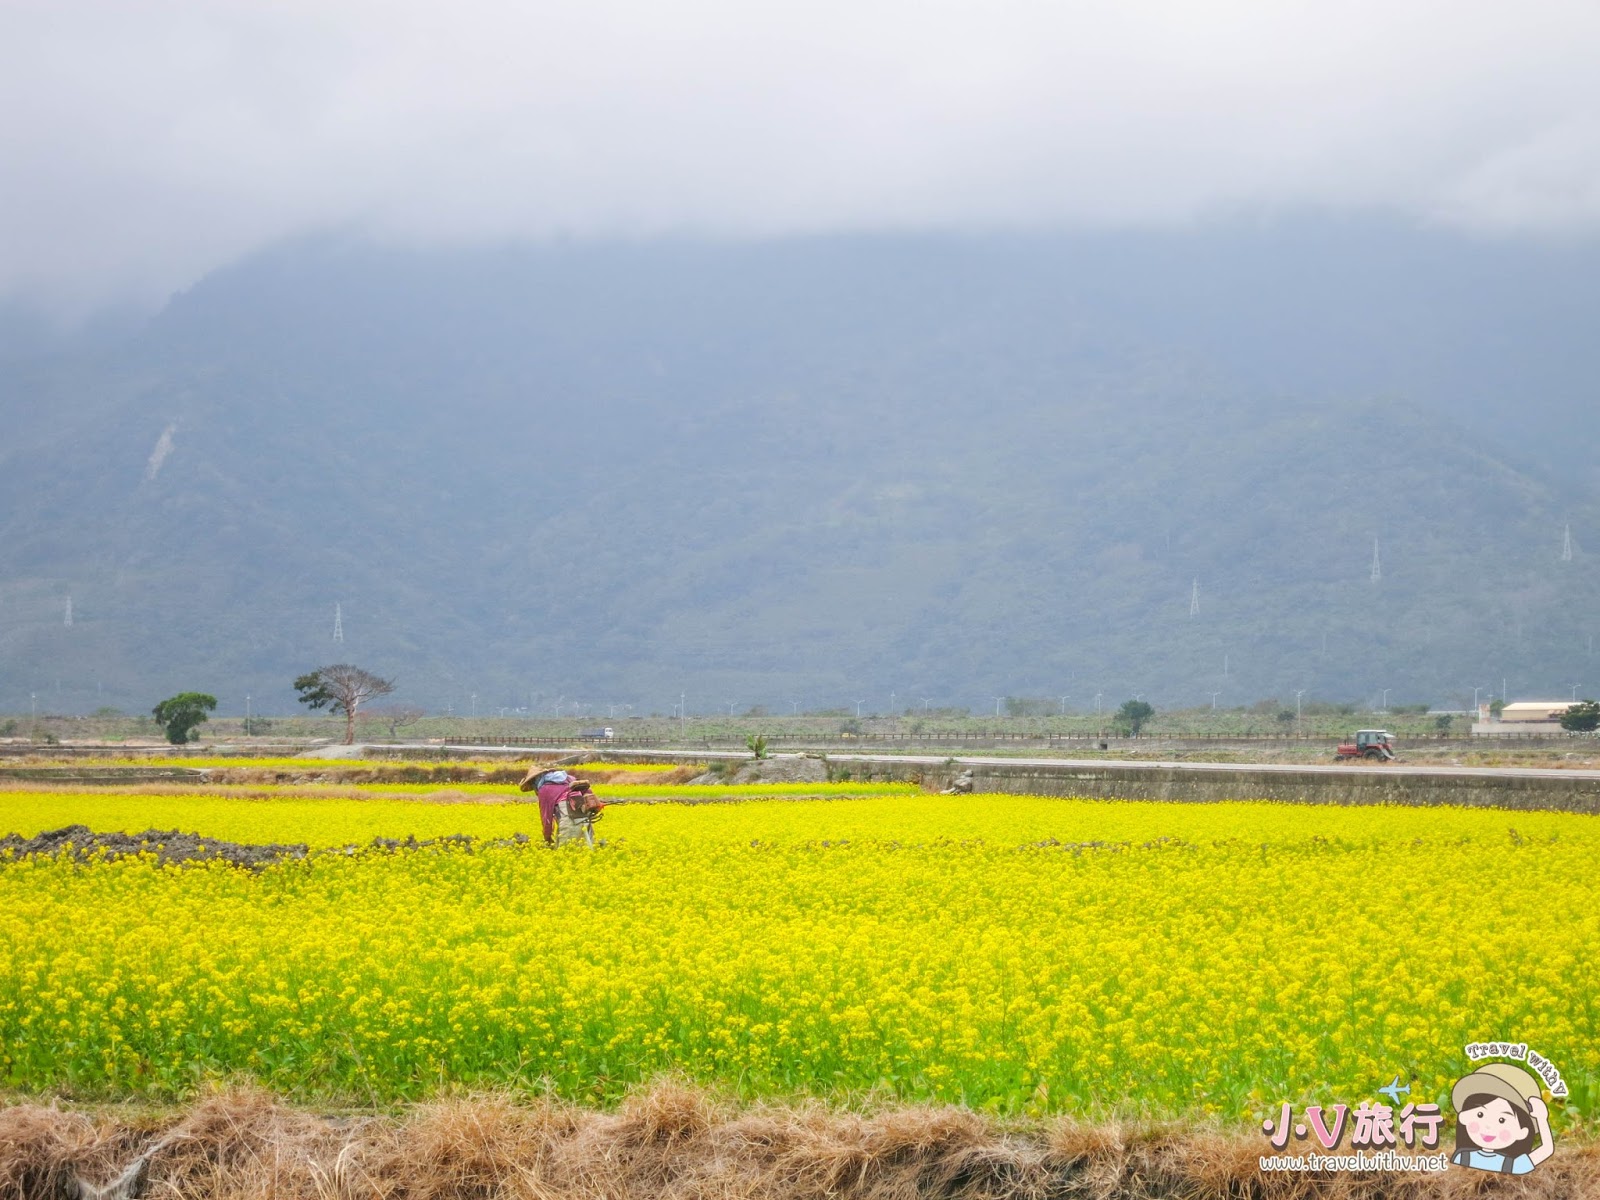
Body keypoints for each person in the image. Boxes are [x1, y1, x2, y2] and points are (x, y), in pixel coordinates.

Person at [1449, 1062, 1554, 1175]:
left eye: (1501, 1120)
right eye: (1480, 1115)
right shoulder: (1462, 1158)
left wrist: (1542, 1119)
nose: (1488, 1126)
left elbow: (1546, 1150)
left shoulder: (1513, 1165)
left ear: (1522, 1132)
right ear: (1464, 1117)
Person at [519, 767, 604, 848]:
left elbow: (547, 819)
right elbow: (587, 790)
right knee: (585, 852)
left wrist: (547, 838)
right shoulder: (569, 778)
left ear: (535, 781)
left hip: (568, 821)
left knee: (566, 852)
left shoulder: (544, 789)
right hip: (585, 819)